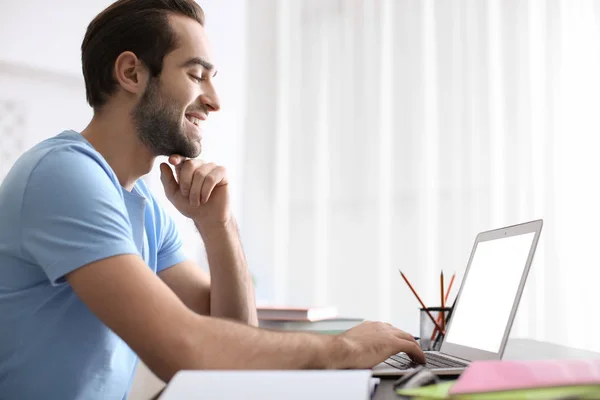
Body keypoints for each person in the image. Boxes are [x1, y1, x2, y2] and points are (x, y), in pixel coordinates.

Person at [0, 0, 425, 399]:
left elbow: (229, 343)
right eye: (195, 74)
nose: (214, 101)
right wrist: (343, 350)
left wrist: (219, 226)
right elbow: (183, 350)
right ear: (131, 73)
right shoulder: (63, 175)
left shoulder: (139, 203)